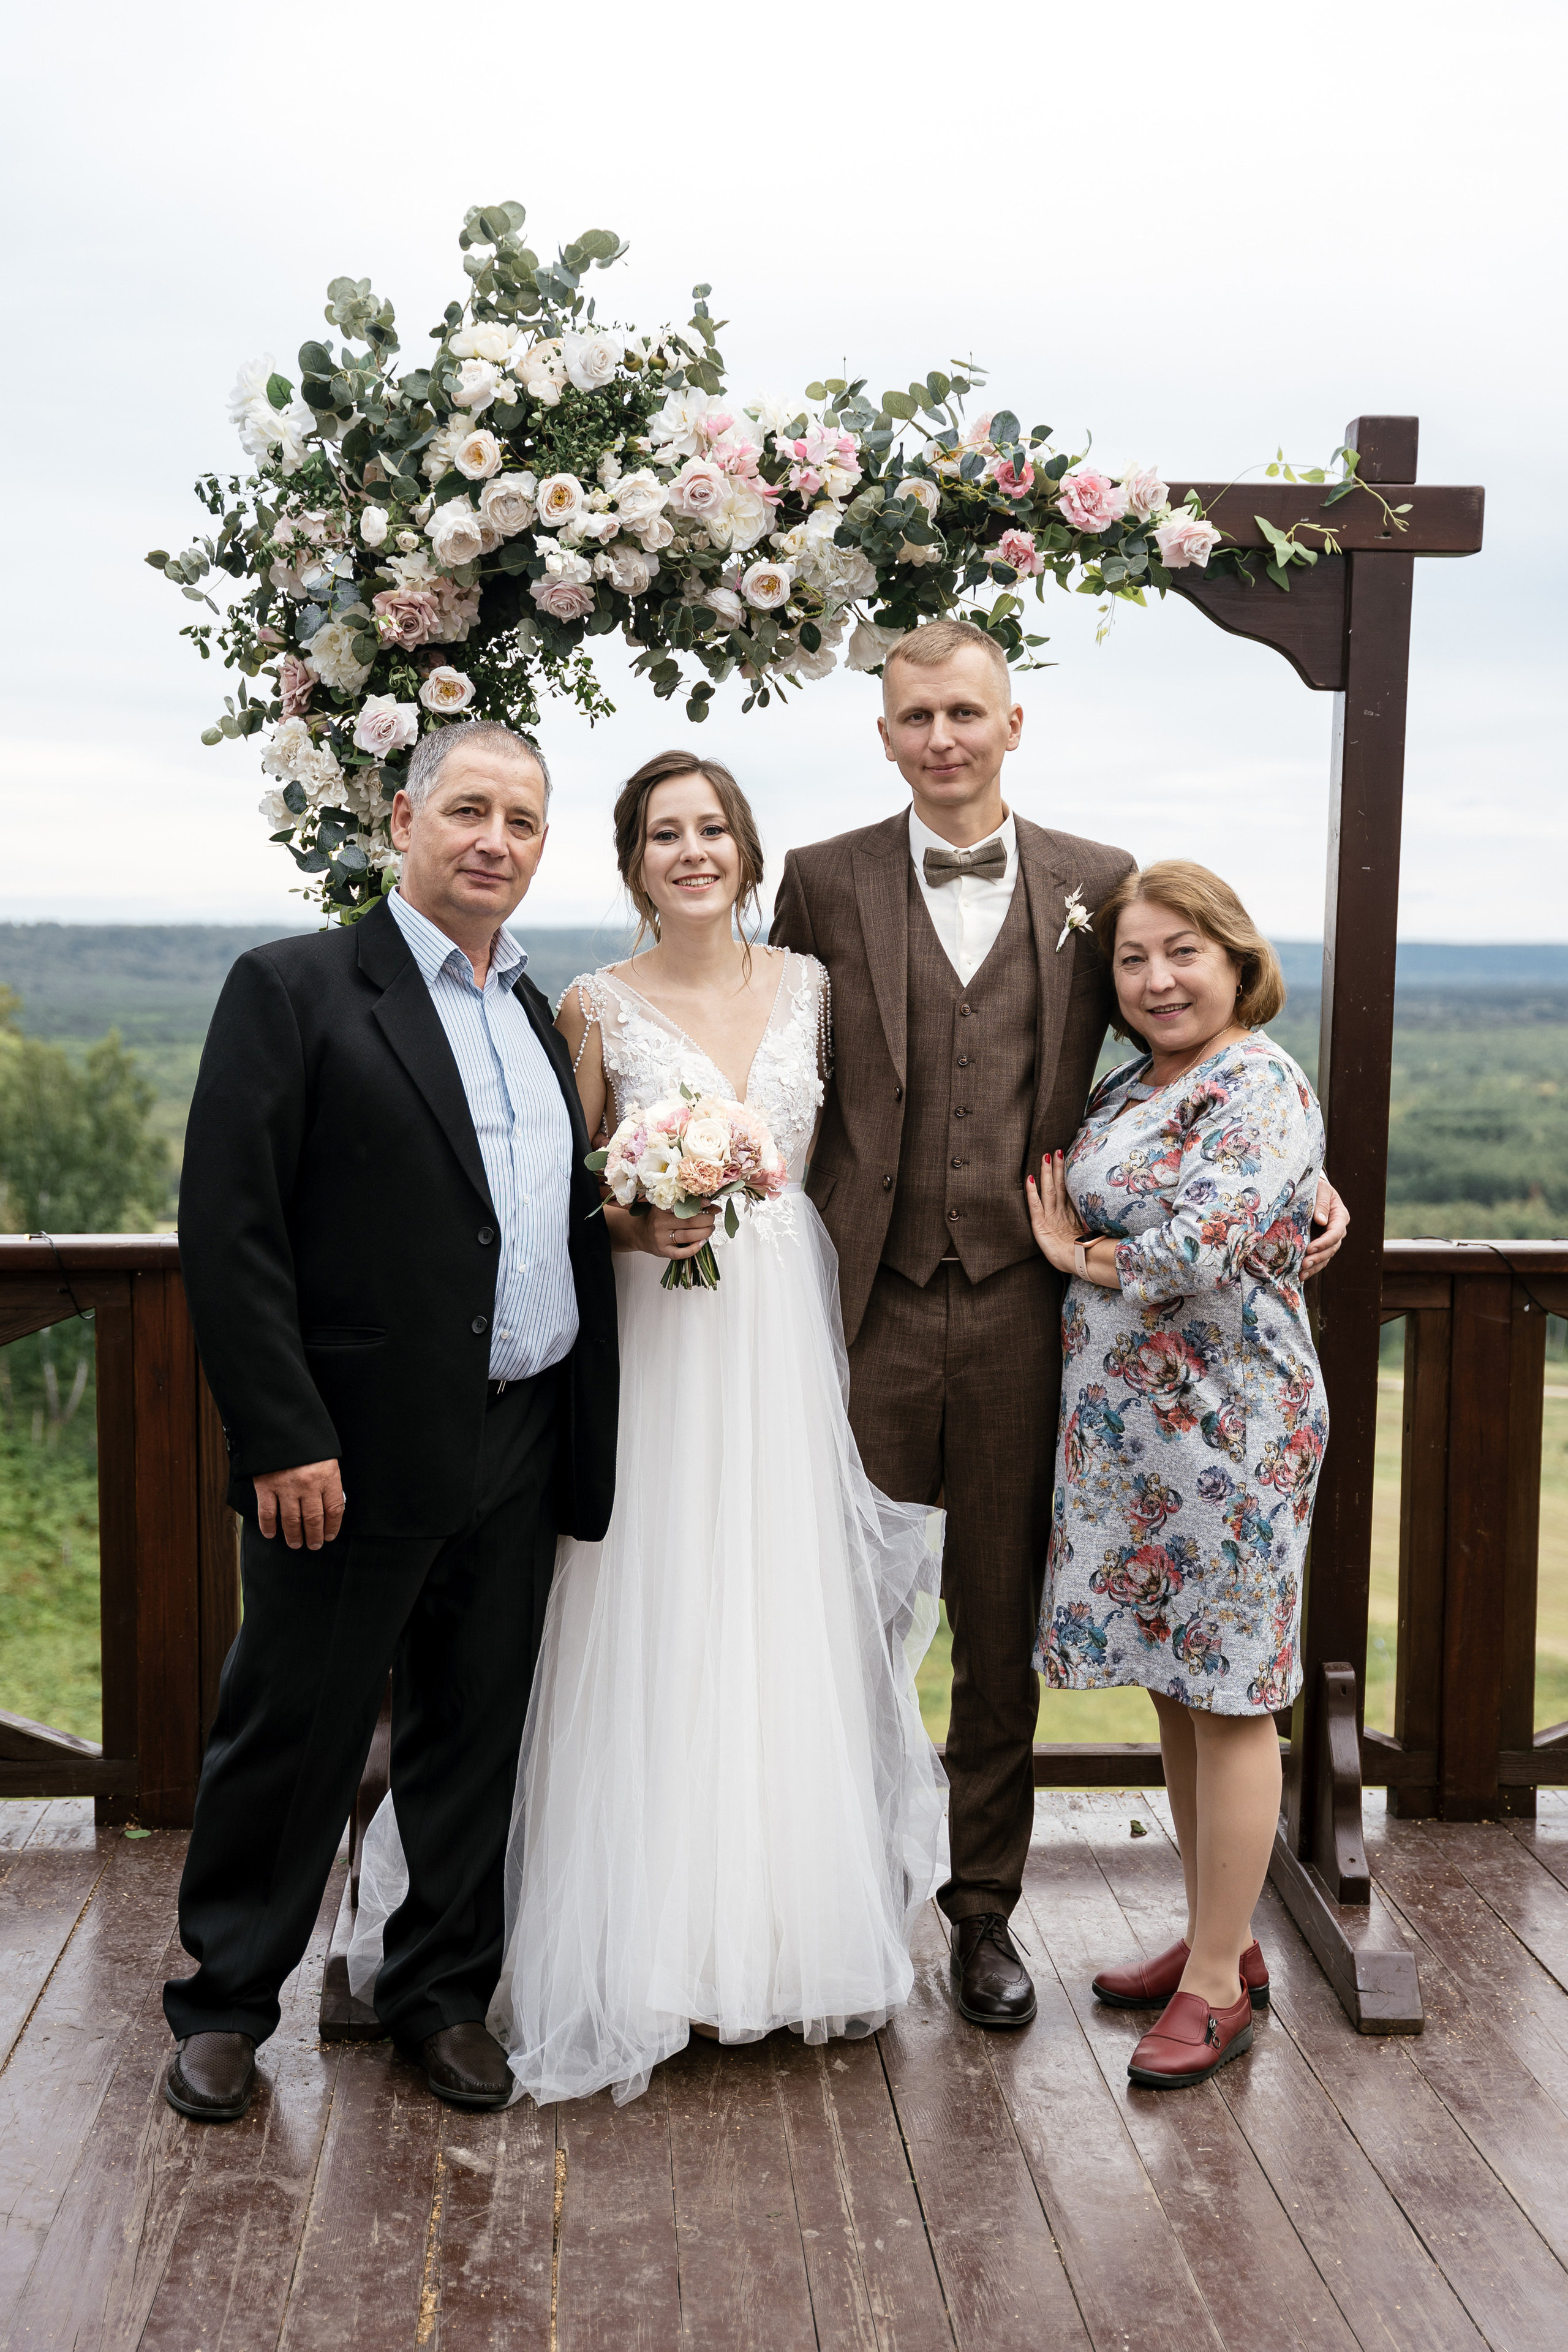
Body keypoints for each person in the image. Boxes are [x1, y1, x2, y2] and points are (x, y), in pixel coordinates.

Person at [770, 617, 1348, 2029]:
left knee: (996, 1625)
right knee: (831, 1616)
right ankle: (821, 1907)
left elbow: (1187, 1043)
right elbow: (775, 1062)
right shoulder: (822, 880)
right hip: (861, 1307)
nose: (942, 738)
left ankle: (980, 1916)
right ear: (884, 734)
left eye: (965, 712)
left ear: (1011, 724)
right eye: (915, 717)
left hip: (1036, 1321)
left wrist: (1298, 1169)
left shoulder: (1096, 881)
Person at [350, 749, 946, 2107]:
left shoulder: (814, 989)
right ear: (631, 863)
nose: (692, 853)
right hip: (654, 1338)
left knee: (774, 1618)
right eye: (664, 834)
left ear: (747, 852)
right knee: (647, 1608)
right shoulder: (590, 1005)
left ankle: (777, 1942)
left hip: (777, 1339)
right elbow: (556, 1191)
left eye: (712, 829)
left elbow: (873, 1145)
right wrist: (636, 1220)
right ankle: (631, 1951)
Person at [163, 718, 617, 2123]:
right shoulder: (294, 988)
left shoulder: (537, 1013)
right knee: (292, 1727)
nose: (495, 840)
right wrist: (283, 1435)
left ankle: (439, 1995)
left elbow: (525, 1221)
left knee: (472, 1732)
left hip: (523, 1429)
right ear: (405, 822)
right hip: (347, 1450)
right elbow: (230, 1228)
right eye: (469, 810)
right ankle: (226, 2004)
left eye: (522, 821)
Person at [1026, 861, 1327, 2088]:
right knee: (1174, 1685)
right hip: (1130, 1441)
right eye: (1133, 959)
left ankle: (1217, 1989)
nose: (1157, 980)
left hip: (1229, 1430)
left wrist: (1074, 1256)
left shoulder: (1257, 1080)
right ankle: (1220, 1938)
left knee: (1231, 1693)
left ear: (1235, 959)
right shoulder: (1129, 1084)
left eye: (1182, 952)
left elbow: (1193, 1248)